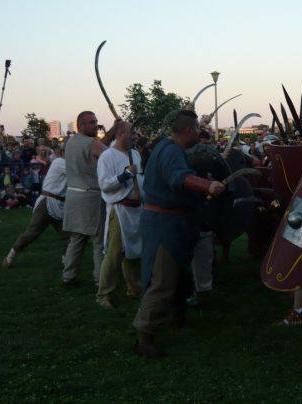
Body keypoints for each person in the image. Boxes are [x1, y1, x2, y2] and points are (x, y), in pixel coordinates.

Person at [132, 110, 225, 359]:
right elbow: (180, 178)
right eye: (197, 129)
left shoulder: (166, 146)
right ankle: (144, 336)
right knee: (162, 281)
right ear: (188, 131)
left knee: (180, 275)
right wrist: (208, 185)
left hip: (173, 223)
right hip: (164, 225)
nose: (200, 132)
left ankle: (178, 316)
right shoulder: (171, 151)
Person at [95, 121, 142, 309]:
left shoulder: (135, 154)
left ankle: (134, 289)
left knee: (134, 253)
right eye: (132, 133)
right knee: (114, 254)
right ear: (122, 134)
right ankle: (103, 295)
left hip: (137, 209)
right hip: (120, 210)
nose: (135, 136)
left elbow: (141, 178)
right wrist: (124, 175)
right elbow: (104, 184)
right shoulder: (107, 156)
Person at [61, 111, 107, 287]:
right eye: (92, 122)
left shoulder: (71, 141)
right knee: (98, 241)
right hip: (90, 197)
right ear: (81, 125)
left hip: (73, 195)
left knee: (77, 239)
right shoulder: (91, 143)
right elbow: (110, 155)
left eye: (96, 121)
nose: (96, 125)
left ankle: (68, 276)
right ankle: (100, 279)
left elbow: (99, 145)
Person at [2, 146, 68, 268]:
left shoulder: (70, 164)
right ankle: (11, 255)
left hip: (60, 206)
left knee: (68, 236)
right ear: (63, 153)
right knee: (31, 233)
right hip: (46, 203)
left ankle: (66, 263)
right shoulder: (59, 162)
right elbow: (79, 173)